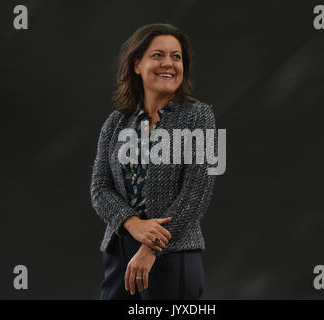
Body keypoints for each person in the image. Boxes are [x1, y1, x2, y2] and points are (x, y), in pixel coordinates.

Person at [90, 23, 217, 300]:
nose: (168, 64)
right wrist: (133, 223)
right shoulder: (115, 123)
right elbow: (99, 188)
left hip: (174, 254)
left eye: (176, 57)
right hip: (119, 254)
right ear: (137, 65)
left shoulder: (199, 117)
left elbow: (197, 192)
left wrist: (151, 248)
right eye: (158, 55)